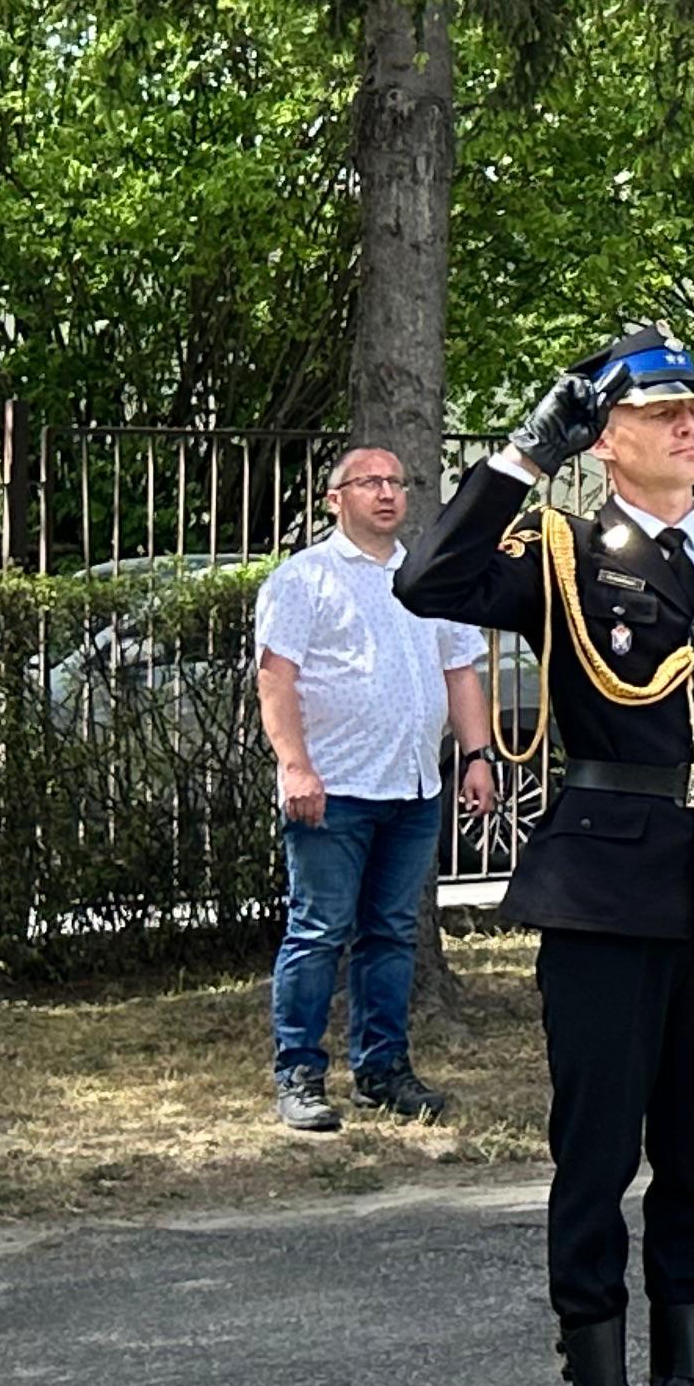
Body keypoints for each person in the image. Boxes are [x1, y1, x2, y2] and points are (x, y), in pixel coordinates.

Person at [396, 327, 694, 1386]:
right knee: (595, 1159)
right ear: (607, 440)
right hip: (605, 897)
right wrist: (524, 456)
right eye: (660, 413)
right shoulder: (565, 554)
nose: (690, 428)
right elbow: (428, 581)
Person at [254, 446, 499, 1132]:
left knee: (391, 934)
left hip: (413, 788)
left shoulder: (430, 580)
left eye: (396, 481)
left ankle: (383, 1070)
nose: (387, 493)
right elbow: (275, 679)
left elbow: (460, 672)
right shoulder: (305, 579)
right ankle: (299, 1074)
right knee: (317, 931)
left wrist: (478, 755)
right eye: (369, 482)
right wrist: (295, 766)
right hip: (333, 789)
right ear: (336, 499)